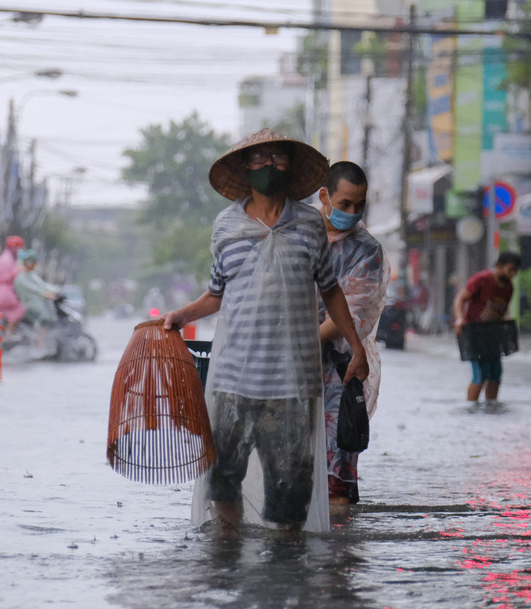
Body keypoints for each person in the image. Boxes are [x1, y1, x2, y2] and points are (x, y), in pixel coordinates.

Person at [162, 128, 370, 534]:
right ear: (245, 167)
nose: (269, 165)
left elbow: (330, 290)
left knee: (289, 491)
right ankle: (228, 555)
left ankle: (284, 574)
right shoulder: (226, 226)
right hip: (232, 379)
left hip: (291, 383)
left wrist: (358, 348)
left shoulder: (310, 225)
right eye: (260, 158)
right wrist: (182, 315)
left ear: (291, 168)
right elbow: (216, 293)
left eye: (278, 157)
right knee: (222, 479)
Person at [315, 161, 390, 506]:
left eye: (359, 205)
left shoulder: (367, 251)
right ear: (324, 197)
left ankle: (341, 555)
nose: (352, 212)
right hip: (284, 366)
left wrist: (297, 345)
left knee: (337, 469)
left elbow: (351, 313)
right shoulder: (301, 235)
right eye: (344, 204)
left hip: (340, 369)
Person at [453, 251, 522, 402]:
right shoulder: (482, 280)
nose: (513, 274)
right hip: (475, 333)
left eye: (515, 271)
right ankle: (472, 408)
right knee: (480, 374)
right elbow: (461, 298)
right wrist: (459, 318)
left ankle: (491, 407)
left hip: (493, 335)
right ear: (499, 266)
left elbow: (503, 309)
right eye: (510, 269)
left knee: (495, 374)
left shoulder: (509, 287)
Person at [0, 235, 26, 334]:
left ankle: (5, 330)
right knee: (22, 308)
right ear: (14, 248)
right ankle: (9, 330)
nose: (20, 251)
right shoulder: (8, 260)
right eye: (19, 248)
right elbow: (9, 276)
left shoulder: (3, 258)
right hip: (5, 294)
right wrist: (18, 270)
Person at [13, 249, 59, 325]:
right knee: (44, 318)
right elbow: (31, 288)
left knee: (51, 316)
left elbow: (42, 284)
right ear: (26, 262)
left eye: (34, 262)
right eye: (31, 262)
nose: (33, 264)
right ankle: (40, 335)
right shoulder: (21, 277)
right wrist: (44, 293)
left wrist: (55, 289)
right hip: (29, 304)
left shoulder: (32, 274)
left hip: (38, 302)